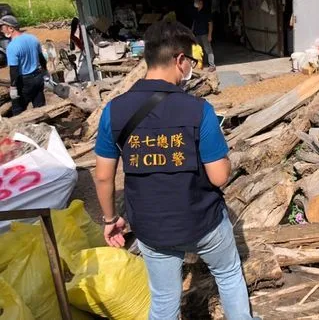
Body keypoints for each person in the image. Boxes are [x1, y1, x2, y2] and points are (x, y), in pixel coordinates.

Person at [93, 20, 254, 320]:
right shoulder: (199, 110)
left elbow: (103, 176)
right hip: (202, 221)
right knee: (229, 273)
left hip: (151, 228)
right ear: (180, 60)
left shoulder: (113, 111)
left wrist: (110, 219)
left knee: (164, 299)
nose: (191, 67)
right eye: (190, 61)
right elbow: (219, 176)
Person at [0, 15, 48, 116]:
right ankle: (45, 127)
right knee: (40, 109)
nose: (1, 31)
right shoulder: (33, 38)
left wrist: (13, 87)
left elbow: (14, 70)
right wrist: (46, 72)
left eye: (2, 28)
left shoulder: (12, 47)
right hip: (38, 77)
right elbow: (42, 59)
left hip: (25, 82)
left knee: (18, 111)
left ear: (10, 28)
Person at [190, 0, 216, 71]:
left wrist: (210, 35)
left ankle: (212, 65)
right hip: (196, 34)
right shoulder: (196, 12)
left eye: (196, 2)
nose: (195, 4)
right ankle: (201, 64)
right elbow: (194, 23)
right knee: (199, 50)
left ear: (201, 3)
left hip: (204, 34)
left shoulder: (206, 12)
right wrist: (191, 32)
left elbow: (210, 24)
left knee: (208, 50)